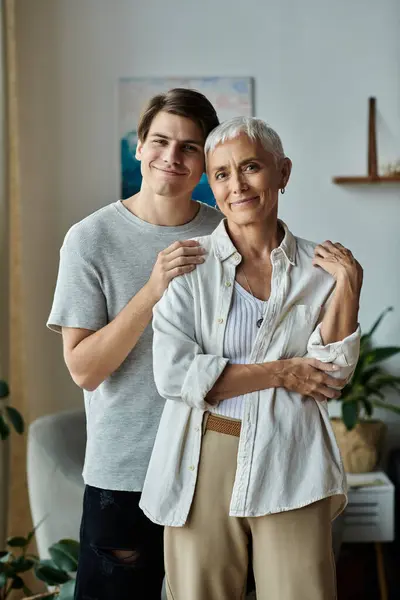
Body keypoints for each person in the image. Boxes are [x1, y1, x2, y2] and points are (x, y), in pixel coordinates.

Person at [140, 117, 363, 600]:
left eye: (251, 168)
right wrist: (284, 371)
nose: (236, 185)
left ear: (282, 173)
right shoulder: (188, 266)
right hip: (202, 456)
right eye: (221, 174)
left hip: (292, 455)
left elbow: (332, 377)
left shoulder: (321, 269)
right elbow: (176, 376)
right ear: (211, 185)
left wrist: (349, 289)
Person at [46, 88, 224, 600]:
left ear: (206, 161)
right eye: (161, 141)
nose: (173, 157)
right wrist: (152, 289)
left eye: (190, 147)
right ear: (140, 147)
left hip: (211, 467)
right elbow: (84, 370)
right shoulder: (90, 238)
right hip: (126, 472)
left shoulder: (226, 234)